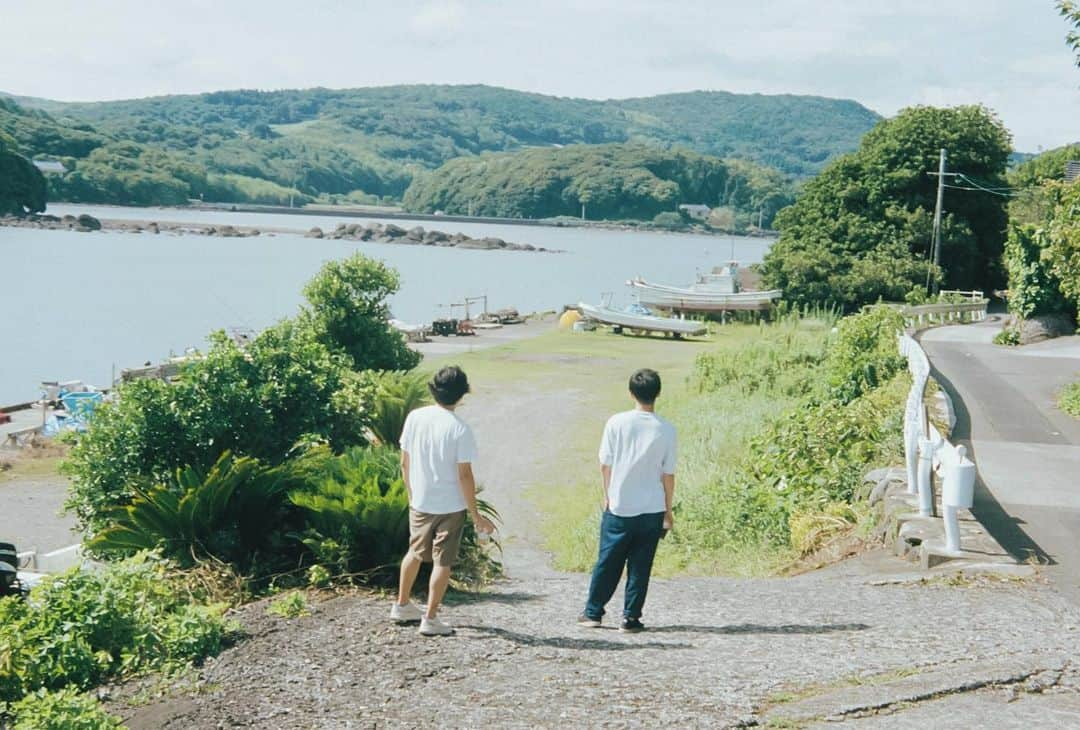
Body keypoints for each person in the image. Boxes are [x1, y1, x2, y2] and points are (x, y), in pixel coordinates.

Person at [390, 365, 495, 636]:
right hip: (450, 505)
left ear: (434, 389)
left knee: (413, 552)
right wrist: (476, 516)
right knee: (442, 562)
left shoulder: (415, 417)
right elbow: (464, 476)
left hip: (421, 500)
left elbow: (404, 462)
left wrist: (412, 495)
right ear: (462, 394)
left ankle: (402, 605)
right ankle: (431, 618)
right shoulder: (461, 429)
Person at [579, 368, 676, 633]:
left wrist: (608, 495)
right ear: (658, 394)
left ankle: (593, 612)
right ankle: (631, 618)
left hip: (620, 503)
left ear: (631, 392)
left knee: (608, 560)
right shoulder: (667, 429)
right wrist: (668, 510)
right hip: (652, 507)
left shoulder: (616, 423)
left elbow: (605, 464)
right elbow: (668, 475)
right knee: (640, 566)